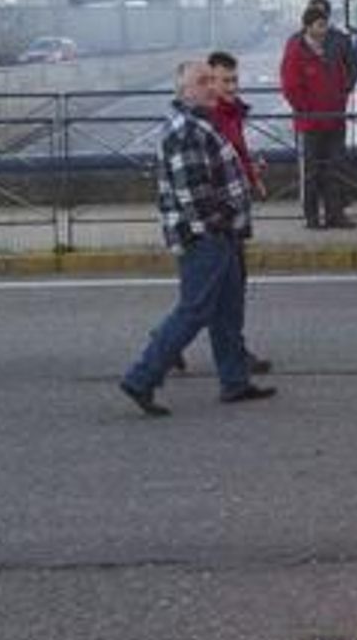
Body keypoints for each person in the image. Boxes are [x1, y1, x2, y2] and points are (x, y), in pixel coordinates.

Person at [118, 61, 275, 415]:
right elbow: (195, 196)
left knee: (227, 310)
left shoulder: (201, 123)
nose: (210, 87)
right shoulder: (187, 130)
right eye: (201, 82)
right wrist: (222, 223)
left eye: (210, 81)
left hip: (224, 232)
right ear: (183, 90)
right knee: (195, 310)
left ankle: (234, 382)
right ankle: (141, 377)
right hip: (207, 235)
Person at [205, 50, 271, 375]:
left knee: (210, 292)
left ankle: (167, 340)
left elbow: (237, 155)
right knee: (224, 290)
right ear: (209, 81)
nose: (231, 86)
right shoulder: (212, 119)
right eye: (224, 81)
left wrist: (253, 176)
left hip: (234, 211)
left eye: (234, 80)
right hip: (222, 216)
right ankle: (235, 355)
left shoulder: (230, 114)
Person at [280, 3, 356, 230]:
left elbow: (345, 72)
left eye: (326, 25)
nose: (325, 30)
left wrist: (341, 97)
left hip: (334, 117)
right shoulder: (296, 51)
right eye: (320, 26)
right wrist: (308, 110)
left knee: (335, 168)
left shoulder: (332, 47)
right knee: (312, 171)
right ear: (308, 27)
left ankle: (335, 214)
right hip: (311, 121)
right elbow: (291, 87)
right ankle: (312, 217)